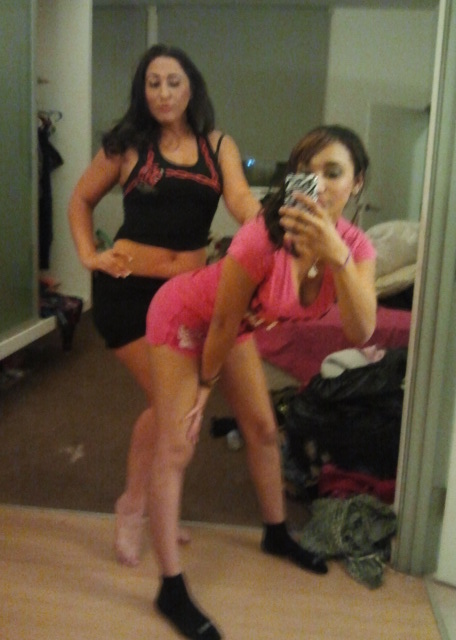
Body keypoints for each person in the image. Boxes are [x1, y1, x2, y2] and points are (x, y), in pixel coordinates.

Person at [145, 124, 377, 639]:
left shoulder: (356, 247)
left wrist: (336, 255)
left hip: (238, 327)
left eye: (333, 173)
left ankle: (276, 533)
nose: (319, 184)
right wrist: (204, 387)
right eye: (306, 172)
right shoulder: (262, 236)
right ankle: (170, 587)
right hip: (187, 315)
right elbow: (222, 321)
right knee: (176, 443)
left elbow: (362, 329)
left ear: (357, 182)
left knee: (265, 430)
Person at [68, 44, 261, 566]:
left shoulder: (217, 145)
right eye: (153, 83)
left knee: (172, 413)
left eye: (173, 82)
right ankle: (134, 506)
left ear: (190, 87)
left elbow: (241, 200)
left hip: (184, 299)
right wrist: (88, 255)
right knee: (172, 409)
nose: (163, 93)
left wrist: (267, 222)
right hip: (128, 293)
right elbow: (80, 199)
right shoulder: (128, 146)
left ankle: (153, 504)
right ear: (143, 90)